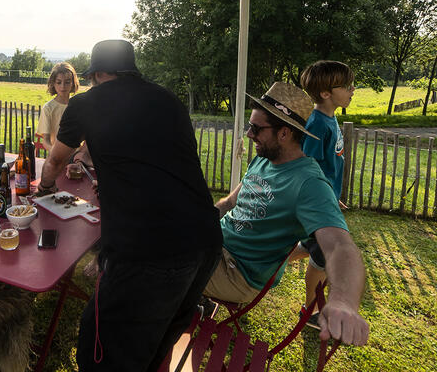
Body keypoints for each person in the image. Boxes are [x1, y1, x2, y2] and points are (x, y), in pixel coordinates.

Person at [37, 39, 222, 372]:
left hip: (150, 247)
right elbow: (152, 158)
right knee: (157, 340)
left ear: (99, 74)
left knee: (103, 345)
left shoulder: (86, 104)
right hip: (205, 239)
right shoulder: (168, 100)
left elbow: (53, 160)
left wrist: (46, 187)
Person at [207, 82, 369, 346]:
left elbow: (341, 246)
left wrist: (343, 301)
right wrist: (202, 216)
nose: (249, 134)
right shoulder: (264, 158)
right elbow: (230, 201)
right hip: (216, 248)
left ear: (284, 133)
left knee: (154, 259)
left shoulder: (309, 184)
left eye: (256, 128)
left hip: (239, 274)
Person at [298, 60, 356, 328]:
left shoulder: (331, 119)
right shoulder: (317, 124)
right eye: (346, 86)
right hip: (316, 205)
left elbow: (328, 168)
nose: (352, 90)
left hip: (326, 201)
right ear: (326, 93)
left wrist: (333, 196)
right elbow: (306, 167)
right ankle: (309, 309)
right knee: (321, 257)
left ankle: (279, 256)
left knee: (313, 248)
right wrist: (323, 200)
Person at [36, 62, 79, 154]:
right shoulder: (48, 108)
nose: (63, 86)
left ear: (73, 83)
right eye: (59, 82)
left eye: (67, 82)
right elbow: (46, 141)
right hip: (56, 158)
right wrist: (55, 152)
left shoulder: (78, 106)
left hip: (76, 159)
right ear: (53, 83)